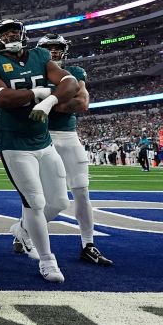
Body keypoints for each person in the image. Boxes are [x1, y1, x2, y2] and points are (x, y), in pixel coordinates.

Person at [0, 20, 78, 282]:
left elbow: (70, 84)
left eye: (13, 30)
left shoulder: (41, 55)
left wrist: (50, 101)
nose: (10, 35)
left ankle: (22, 229)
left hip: (43, 140)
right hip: (14, 142)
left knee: (60, 202)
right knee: (35, 202)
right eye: (4, 32)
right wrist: (38, 93)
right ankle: (47, 260)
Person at [35, 33, 112, 266]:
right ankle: (26, 231)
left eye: (58, 48)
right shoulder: (33, 74)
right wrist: (61, 100)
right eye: (49, 48)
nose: (55, 52)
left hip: (68, 137)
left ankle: (88, 244)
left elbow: (81, 103)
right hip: (40, 138)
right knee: (38, 196)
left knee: (81, 191)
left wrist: (47, 101)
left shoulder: (75, 72)